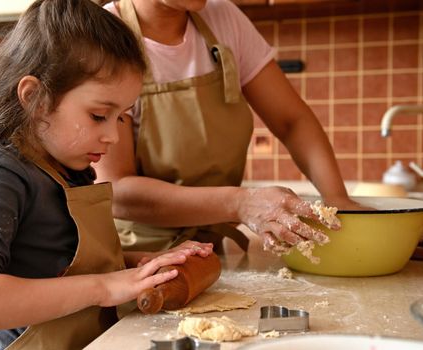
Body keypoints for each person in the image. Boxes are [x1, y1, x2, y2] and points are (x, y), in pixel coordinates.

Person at [0, 1, 213, 349]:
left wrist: (142, 266)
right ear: (35, 98)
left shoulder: (69, 170)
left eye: (122, 117)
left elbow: (56, 263)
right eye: (98, 116)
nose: (112, 136)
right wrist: (107, 286)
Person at [94, 0, 363, 253]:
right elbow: (115, 190)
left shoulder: (223, 18)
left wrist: (336, 198)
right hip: (135, 257)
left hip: (208, 250)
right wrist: (240, 203)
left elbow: (292, 121)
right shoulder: (105, 35)